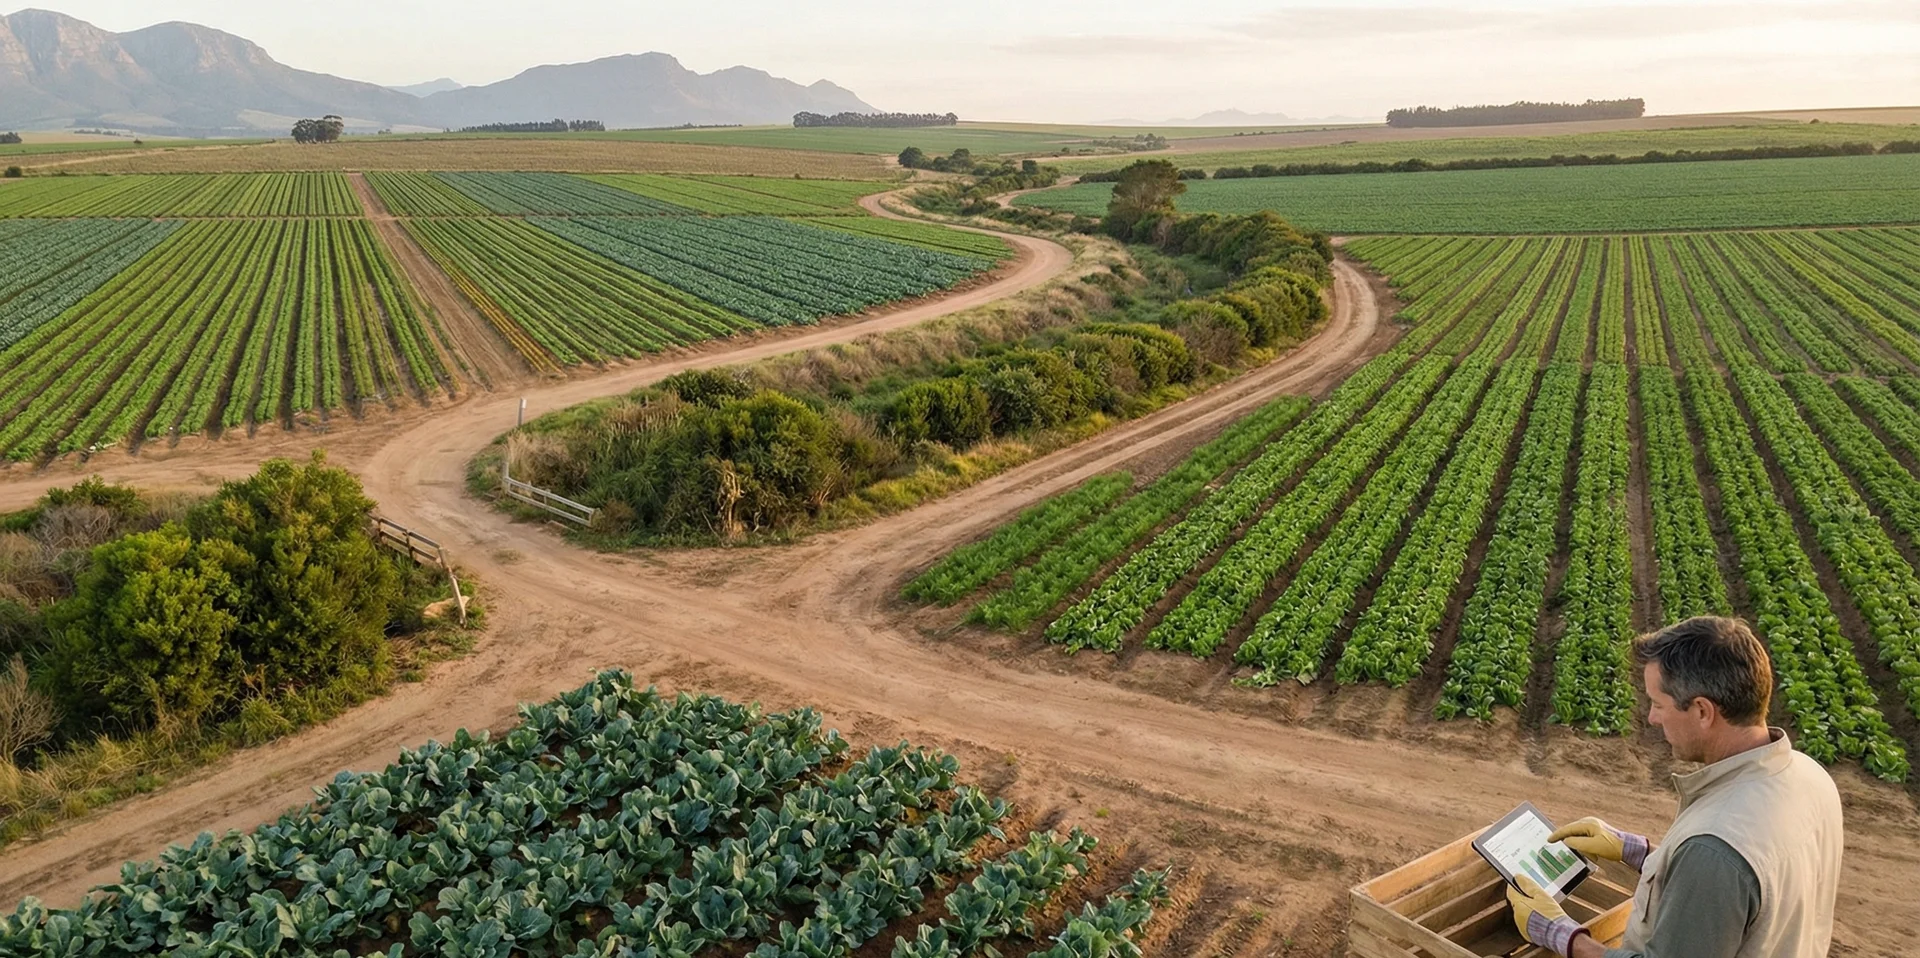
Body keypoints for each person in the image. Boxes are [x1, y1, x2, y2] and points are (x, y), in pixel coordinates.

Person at [1506, 616, 1845, 958]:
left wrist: (1562, 935)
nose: (1652, 718)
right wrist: (1635, 851)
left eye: (1657, 704)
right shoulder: (1808, 775)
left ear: (1702, 711)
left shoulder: (1714, 849)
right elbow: (1730, 897)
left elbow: (1718, 869)